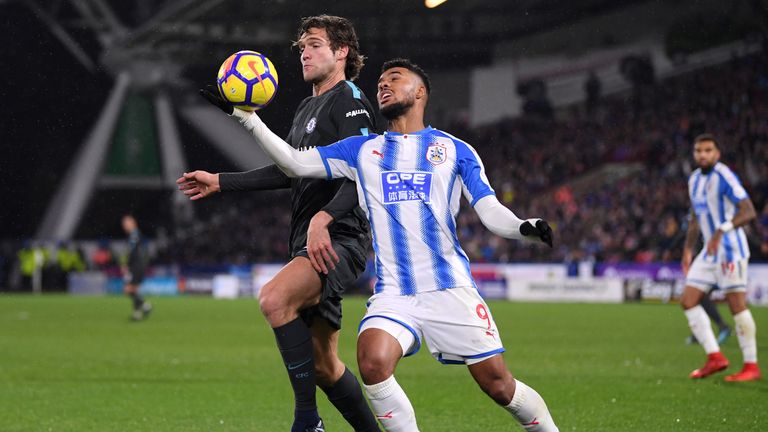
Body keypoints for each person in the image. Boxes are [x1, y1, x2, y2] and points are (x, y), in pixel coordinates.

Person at [210, 58, 560, 431]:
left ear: (420, 91)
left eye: (395, 79)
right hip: (395, 292)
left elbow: (489, 209)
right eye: (380, 82)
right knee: (372, 363)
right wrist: (247, 119)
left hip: (450, 289)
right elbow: (294, 164)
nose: (383, 85)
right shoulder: (361, 150)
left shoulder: (455, 149)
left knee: (498, 385)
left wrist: (523, 227)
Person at [178, 15, 381, 432]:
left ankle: (307, 423)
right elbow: (291, 170)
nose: (304, 52)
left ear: (342, 52)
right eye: (301, 46)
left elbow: (365, 172)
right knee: (324, 367)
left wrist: (326, 218)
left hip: (339, 237)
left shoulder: (352, 101)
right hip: (310, 237)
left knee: (274, 298)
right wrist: (221, 181)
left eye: (314, 45)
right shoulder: (309, 106)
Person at [680, 133, 760, 381]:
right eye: (698, 150)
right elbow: (695, 217)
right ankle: (715, 357)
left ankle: (751, 366)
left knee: (736, 305)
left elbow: (748, 211)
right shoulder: (694, 180)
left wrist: (721, 229)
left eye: (708, 150)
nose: (703, 155)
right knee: (688, 299)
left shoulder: (724, 176)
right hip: (708, 253)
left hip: (730, 249)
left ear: (717, 153)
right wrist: (688, 249)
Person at [122, 215, 152, 321]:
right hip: (137, 265)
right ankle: (141, 309)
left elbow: (132, 251)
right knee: (132, 289)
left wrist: (126, 264)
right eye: (124, 224)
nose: (124, 226)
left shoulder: (134, 234)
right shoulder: (133, 235)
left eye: (126, 223)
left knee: (128, 289)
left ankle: (142, 309)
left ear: (133, 223)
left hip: (136, 266)